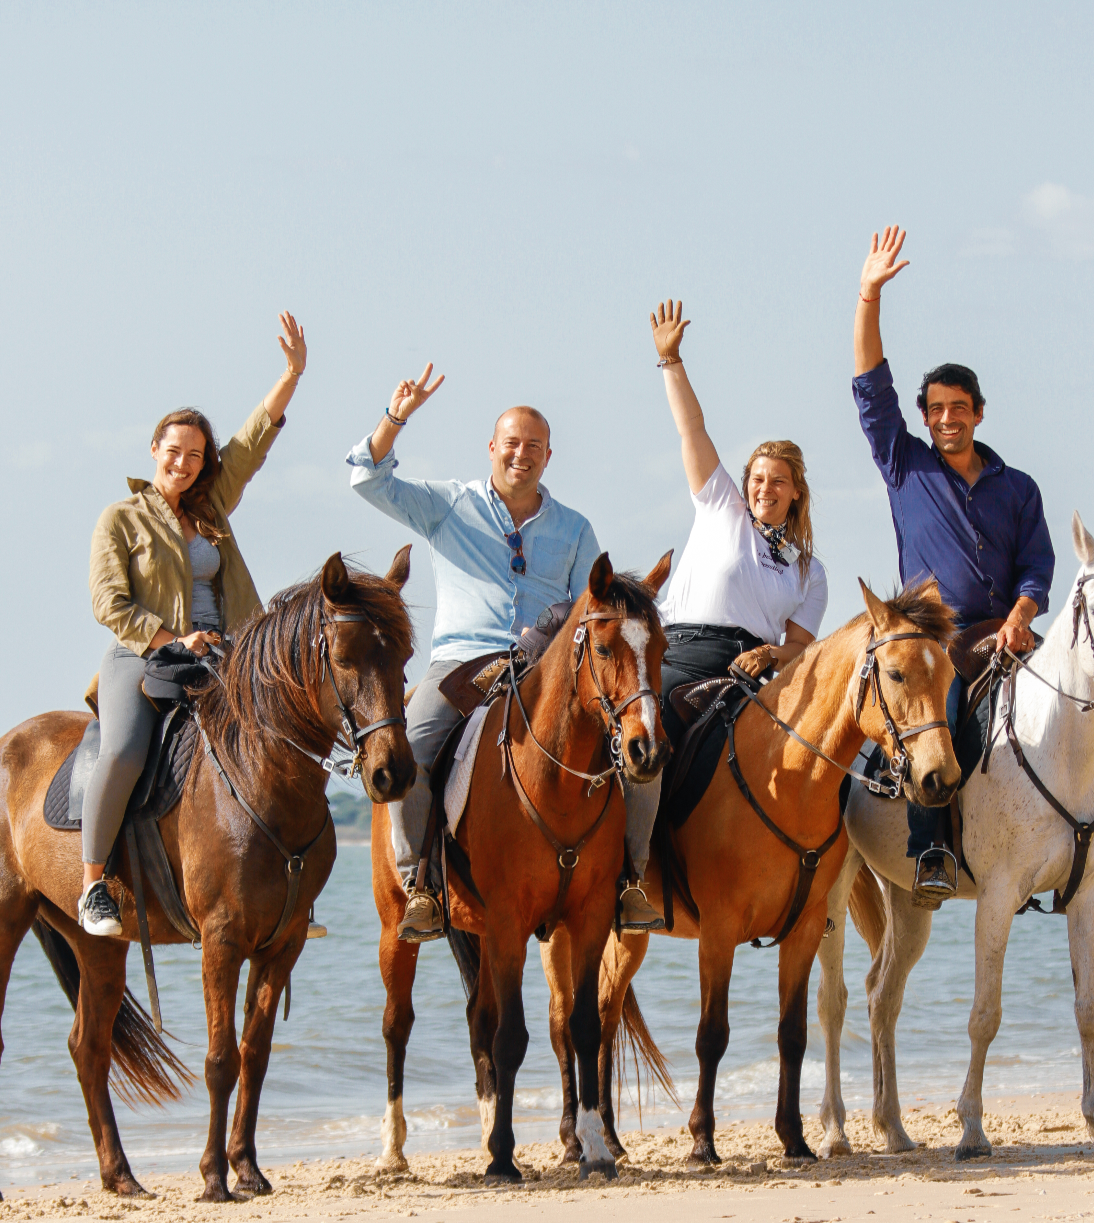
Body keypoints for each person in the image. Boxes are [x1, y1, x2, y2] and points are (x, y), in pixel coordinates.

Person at [347, 367, 665, 942]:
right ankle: (419, 886)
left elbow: (593, 602)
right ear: (492, 448)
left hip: (548, 667)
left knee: (640, 747)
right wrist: (396, 418)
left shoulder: (575, 527)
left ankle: (631, 883)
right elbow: (367, 478)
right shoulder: (448, 505)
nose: (522, 454)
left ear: (549, 457)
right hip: (460, 663)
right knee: (408, 756)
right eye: (512, 444)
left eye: (534, 447)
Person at [80, 311, 308, 935]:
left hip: (229, 654)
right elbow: (108, 602)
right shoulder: (120, 518)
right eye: (173, 452)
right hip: (143, 655)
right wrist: (170, 639)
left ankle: (288, 890)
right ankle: (94, 884)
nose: (183, 463)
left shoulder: (212, 508)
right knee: (124, 749)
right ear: (154, 450)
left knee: (288, 742)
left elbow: (254, 438)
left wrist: (291, 374)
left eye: (195, 455)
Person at [852, 225, 1056, 906]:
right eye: (936, 409)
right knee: (935, 718)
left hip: (1011, 627)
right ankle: (931, 847)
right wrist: (868, 295)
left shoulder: (1018, 486)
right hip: (937, 636)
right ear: (925, 416)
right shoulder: (903, 465)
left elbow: (1037, 564)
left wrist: (1023, 618)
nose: (947, 419)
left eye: (958, 409)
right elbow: (869, 387)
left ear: (978, 413)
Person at [623, 298, 829, 879]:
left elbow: (802, 646)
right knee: (645, 724)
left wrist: (773, 654)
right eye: (757, 478)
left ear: (795, 494)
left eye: (778, 482)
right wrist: (671, 362)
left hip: (754, 667)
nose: (765, 488)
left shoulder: (811, 570)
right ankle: (633, 866)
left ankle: (815, 875)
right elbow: (693, 427)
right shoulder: (721, 507)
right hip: (682, 651)